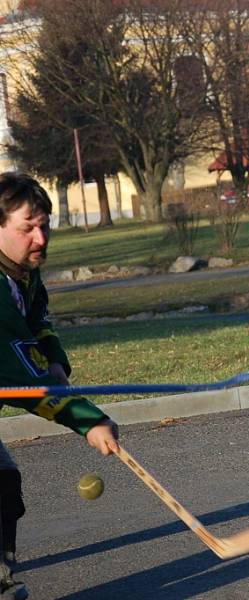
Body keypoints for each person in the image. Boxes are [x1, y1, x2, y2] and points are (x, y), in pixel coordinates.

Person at [0, 172, 119, 599]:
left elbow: (38, 325)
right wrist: (88, 420)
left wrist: (53, 359)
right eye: (27, 227)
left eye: (44, 224)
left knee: (4, 484)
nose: (40, 237)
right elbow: (24, 379)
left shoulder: (22, 274)